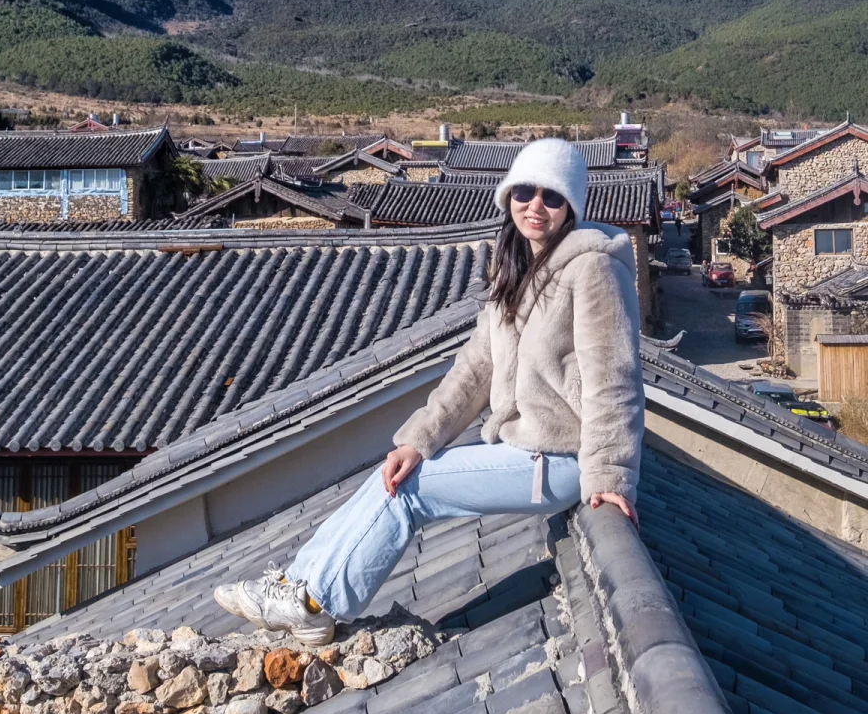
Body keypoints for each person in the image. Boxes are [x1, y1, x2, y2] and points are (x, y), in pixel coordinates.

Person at [214, 138, 645, 646]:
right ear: (508, 196)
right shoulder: (519, 269)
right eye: (524, 191)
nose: (535, 206)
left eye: (552, 197)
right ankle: (299, 583)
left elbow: (614, 377)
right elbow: (475, 368)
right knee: (400, 471)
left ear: (572, 205)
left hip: (561, 456)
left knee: (409, 494)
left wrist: (611, 473)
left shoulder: (593, 268)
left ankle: (315, 602)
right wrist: (420, 438)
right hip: (525, 450)